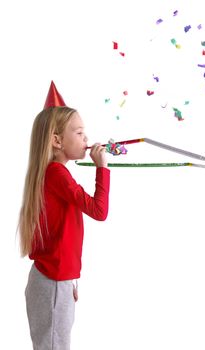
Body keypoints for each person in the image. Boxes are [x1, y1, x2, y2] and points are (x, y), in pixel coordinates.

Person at [18, 82, 110, 349]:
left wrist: (69, 280)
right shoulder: (57, 174)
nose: (85, 139)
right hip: (52, 284)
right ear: (57, 140)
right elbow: (98, 211)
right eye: (79, 132)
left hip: (56, 281)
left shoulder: (54, 173)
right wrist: (101, 169)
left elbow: (63, 234)